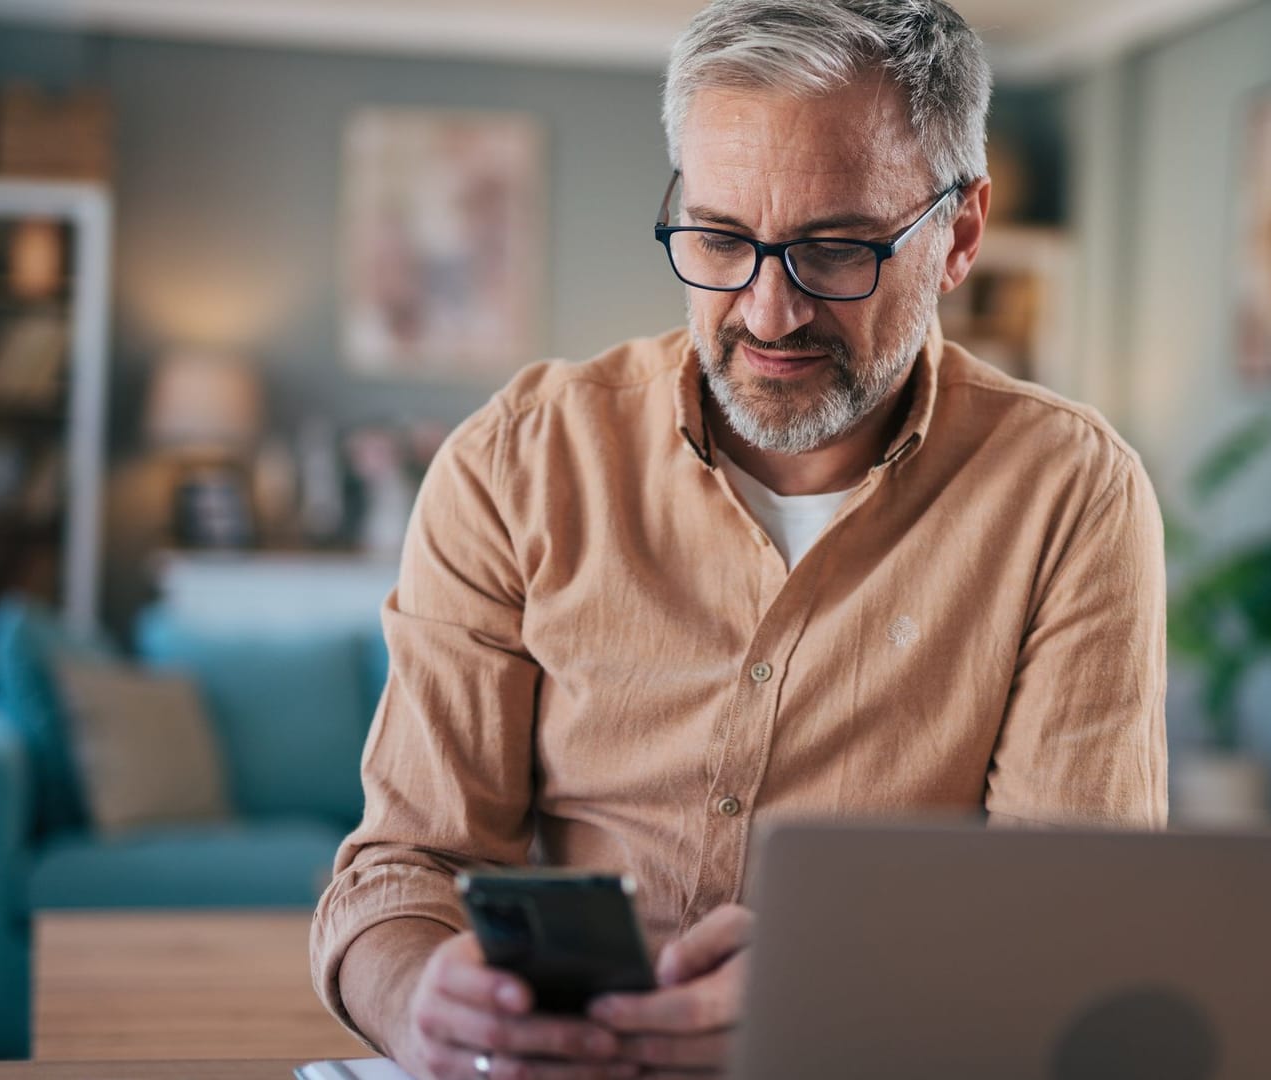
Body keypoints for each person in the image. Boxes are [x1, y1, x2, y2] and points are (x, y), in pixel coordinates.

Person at [309, 2, 1168, 1076]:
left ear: (958, 234)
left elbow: (1076, 920)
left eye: (836, 249)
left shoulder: (1069, 495)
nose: (767, 313)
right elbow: (402, 871)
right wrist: (423, 1003)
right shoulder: (514, 464)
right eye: (720, 238)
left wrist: (841, 992)